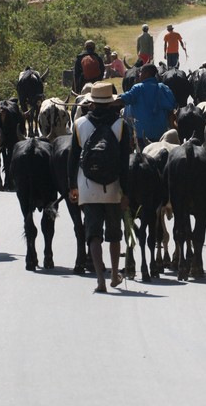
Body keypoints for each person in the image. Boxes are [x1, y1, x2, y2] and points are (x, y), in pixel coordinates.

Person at [68, 81, 133, 293]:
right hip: (114, 187)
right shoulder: (121, 125)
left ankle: (100, 280)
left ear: (92, 103)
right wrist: (126, 192)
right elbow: (124, 162)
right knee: (114, 235)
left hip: (88, 186)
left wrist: (73, 188)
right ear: (111, 103)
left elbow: (72, 160)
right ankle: (115, 274)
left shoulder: (80, 125)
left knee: (93, 234)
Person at [120, 63, 176, 144]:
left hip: (143, 137)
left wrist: (110, 101)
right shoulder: (163, 88)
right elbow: (172, 107)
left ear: (146, 74)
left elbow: (124, 99)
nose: (139, 74)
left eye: (141, 72)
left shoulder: (138, 88)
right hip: (162, 135)